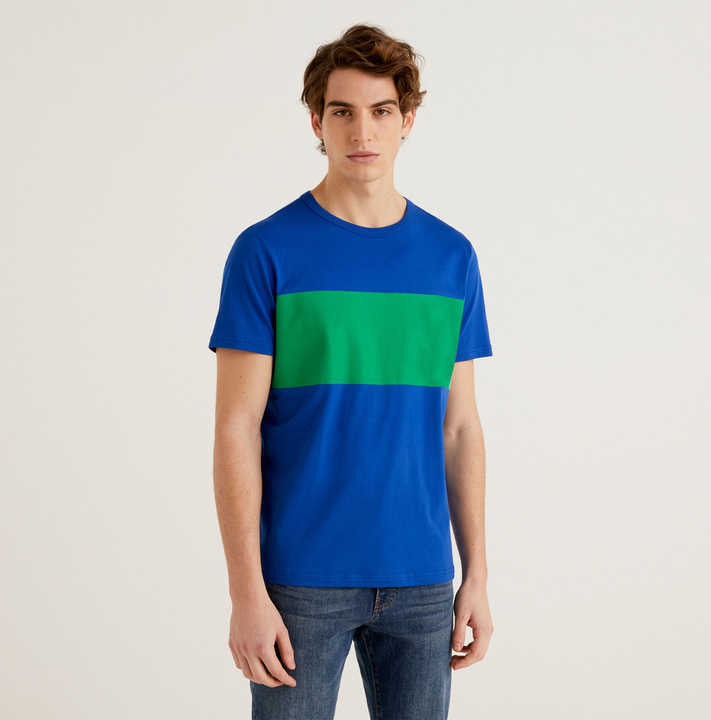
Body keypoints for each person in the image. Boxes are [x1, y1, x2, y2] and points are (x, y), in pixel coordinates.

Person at [209, 23, 494, 720]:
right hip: (301, 582)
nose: (362, 131)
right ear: (317, 121)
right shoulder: (266, 251)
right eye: (342, 111)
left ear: (407, 121)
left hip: (423, 582)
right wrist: (246, 593)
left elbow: (459, 429)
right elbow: (236, 428)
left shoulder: (451, 257)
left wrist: (477, 575)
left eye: (381, 111)